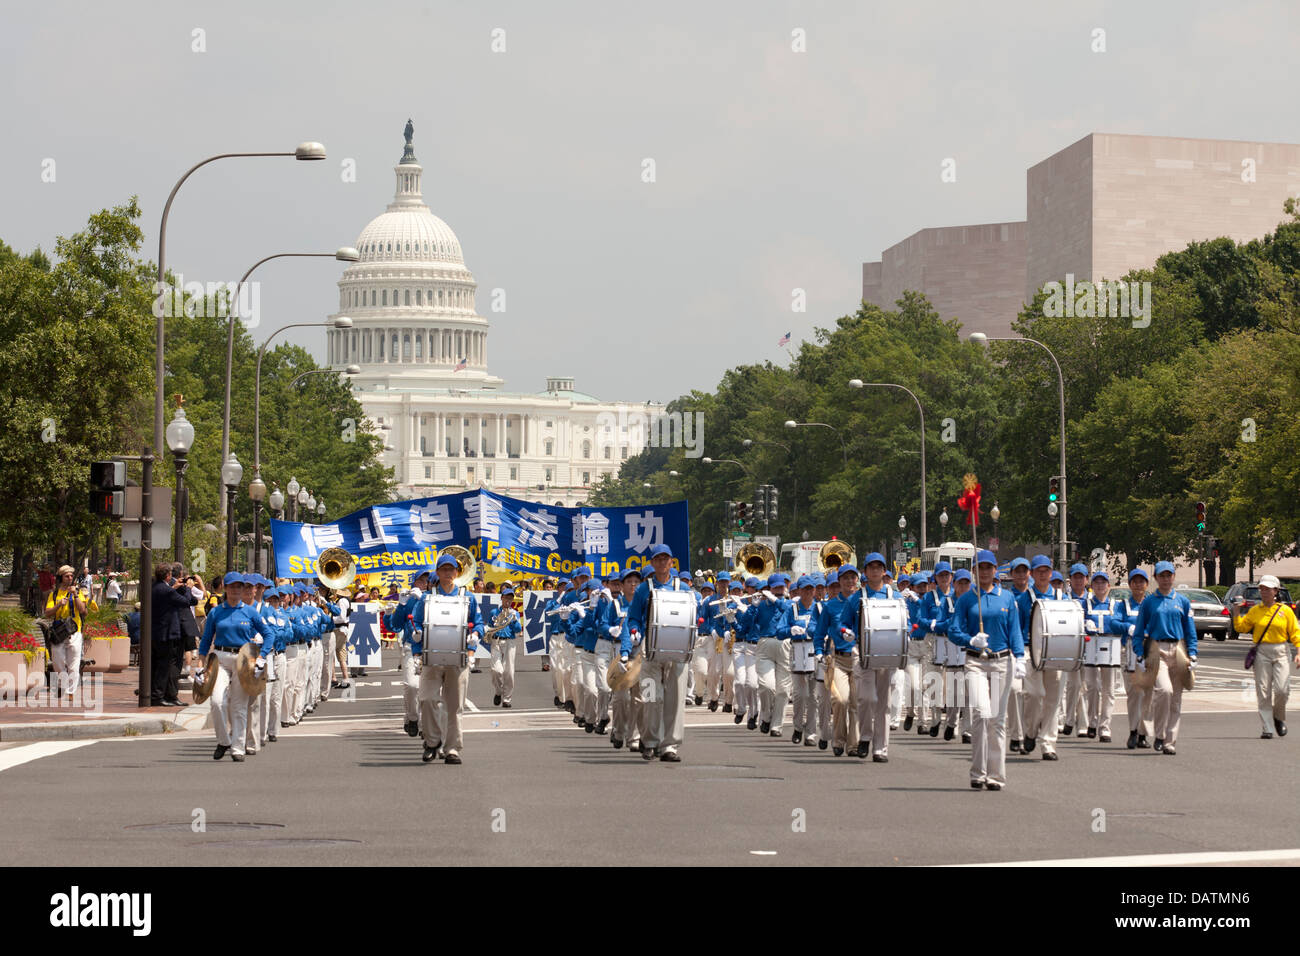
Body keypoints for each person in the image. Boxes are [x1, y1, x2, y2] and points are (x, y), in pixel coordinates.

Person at [946, 549, 1024, 791]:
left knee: (997, 721)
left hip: (1001, 661)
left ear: (995, 570)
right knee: (980, 714)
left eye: (989, 567)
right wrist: (970, 640)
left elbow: (1015, 630)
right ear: (974, 571)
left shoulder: (1007, 598)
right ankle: (978, 772)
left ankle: (996, 775)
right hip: (975, 660)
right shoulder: (966, 599)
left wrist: (1019, 656)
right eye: (980, 567)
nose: (985, 572)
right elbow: (953, 630)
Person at [412, 553, 484, 764]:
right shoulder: (427, 597)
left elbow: (478, 622)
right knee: (426, 699)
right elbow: (416, 623)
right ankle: (432, 741)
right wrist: (416, 648)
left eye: (450, 569)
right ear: (437, 572)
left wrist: (475, 637)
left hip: (458, 657)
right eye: (443, 569)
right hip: (431, 657)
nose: (447, 573)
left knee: (454, 706)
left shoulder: (467, 596)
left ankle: (452, 748)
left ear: (456, 572)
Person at [195, 572, 271, 761]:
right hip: (220, 658)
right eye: (232, 586)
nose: (236, 590)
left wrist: (261, 657)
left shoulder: (250, 611)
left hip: (243, 658)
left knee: (239, 706)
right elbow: (206, 639)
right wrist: (200, 665)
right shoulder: (216, 612)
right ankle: (224, 740)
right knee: (216, 701)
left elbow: (269, 634)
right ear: (226, 588)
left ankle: (238, 747)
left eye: (240, 586)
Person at [626, 544, 690, 761]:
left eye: (666, 559)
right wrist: (634, 630)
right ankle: (650, 741)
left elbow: (692, 612)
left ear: (672, 562)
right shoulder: (645, 588)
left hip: (678, 648)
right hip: (651, 647)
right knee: (651, 696)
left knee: (675, 698)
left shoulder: (683, 587)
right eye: (658, 559)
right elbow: (634, 616)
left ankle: (670, 745)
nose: (662, 563)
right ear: (652, 563)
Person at [838, 553, 899, 762]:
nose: (875, 570)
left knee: (884, 703)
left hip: (887, 653)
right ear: (865, 572)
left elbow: (905, 620)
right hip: (862, 652)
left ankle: (880, 749)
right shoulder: (857, 597)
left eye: (878, 567)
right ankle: (865, 736)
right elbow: (843, 623)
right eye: (870, 567)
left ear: (884, 571)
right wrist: (846, 632)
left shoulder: (894, 595)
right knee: (867, 698)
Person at [1132, 561, 1197, 755]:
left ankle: (1170, 741)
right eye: (1162, 576)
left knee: (1176, 698)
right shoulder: (1149, 602)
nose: (1166, 579)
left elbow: (1190, 630)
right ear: (1156, 578)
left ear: (1174, 577)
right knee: (1164, 691)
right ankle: (1159, 733)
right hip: (1156, 649)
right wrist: (1139, 653)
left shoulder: (1183, 601)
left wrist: (1193, 653)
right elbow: (1138, 631)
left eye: (1169, 575)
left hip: (1177, 648)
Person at [1232, 573, 1298, 739]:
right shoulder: (1255, 611)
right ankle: (1267, 727)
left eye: (1268, 589)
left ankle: (1278, 717)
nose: (1264, 592)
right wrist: (1236, 611)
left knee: (1282, 690)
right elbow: (1241, 627)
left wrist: (1299, 651)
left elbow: (1295, 632)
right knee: (1263, 690)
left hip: (1281, 650)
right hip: (1261, 651)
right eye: (1262, 588)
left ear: (1276, 591)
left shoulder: (1285, 611)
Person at [1017, 555, 1066, 761]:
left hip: (1054, 651)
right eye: (1038, 571)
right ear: (1032, 573)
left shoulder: (1061, 597)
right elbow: (1017, 628)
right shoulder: (1023, 598)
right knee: (1034, 694)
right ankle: (1030, 731)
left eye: (1046, 570)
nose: (1043, 574)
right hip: (1031, 650)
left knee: (1053, 699)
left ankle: (1048, 743)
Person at [1080, 570, 1124, 742]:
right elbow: (1077, 623)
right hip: (1091, 647)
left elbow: (1120, 622)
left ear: (1109, 585)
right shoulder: (1085, 604)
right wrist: (1085, 624)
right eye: (1096, 582)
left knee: (1109, 690)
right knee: (1091, 687)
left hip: (1110, 646)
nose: (1100, 585)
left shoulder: (1117, 605)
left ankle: (1105, 727)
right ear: (1092, 586)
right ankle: (1092, 722)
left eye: (1103, 582)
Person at [1114, 568, 1154, 748]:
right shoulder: (1123, 605)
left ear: (1147, 584)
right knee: (1134, 693)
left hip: (1150, 650)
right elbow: (1113, 622)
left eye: (1142, 581)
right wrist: (1128, 627)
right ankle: (1133, 731)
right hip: (1129, 650)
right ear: (1130, 585)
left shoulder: (1152, 604)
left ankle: (1143, 733)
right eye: (1135, 581)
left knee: (1148, 694)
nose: (1138, 585)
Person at [150, 563, 198, 707]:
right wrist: (188, 588)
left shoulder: (155, 587)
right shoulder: (167, 590)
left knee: (160, 665)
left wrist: (175, 587)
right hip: (167, 633)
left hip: (158, 632)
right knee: (165, 666)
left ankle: (161, 694)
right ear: (168, 575)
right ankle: (160, 696)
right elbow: (187, 601)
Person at [780, 574, 820, 747]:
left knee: (814, 696)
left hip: (815, 651)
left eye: (811, 589)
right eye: (805, 589)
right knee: (799, 694)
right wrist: (791, 630)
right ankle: (797, 727)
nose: (808, 592)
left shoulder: (819, 608)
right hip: (797, 651)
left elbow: (825, 626)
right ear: (799, 591)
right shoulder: (792, 609)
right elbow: (779, 630)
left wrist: (814, 631)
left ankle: (811, 733)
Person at [754, 572, 793, 737]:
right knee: (766, 687)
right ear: (769, 588)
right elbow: (749, 624)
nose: (779, 589)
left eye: (781, 586)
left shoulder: (789, 604)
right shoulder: (762, 605)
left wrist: (776, 601)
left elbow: (788, 611)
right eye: (776, 587)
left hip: (784, 645)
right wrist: (751, 608)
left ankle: (777, 725)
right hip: (765, 643)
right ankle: (766, 716)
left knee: (783, 690)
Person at [44, 565, 88, 699]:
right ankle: (62, 683)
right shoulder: (55, 594)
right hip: (59, 632)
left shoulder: (78, 592)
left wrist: (75, 595)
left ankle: (70, 691)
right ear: (61, 578)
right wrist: (58, 605)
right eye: (66, 576)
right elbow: (47, 613)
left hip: (74, 631)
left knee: (74, 663)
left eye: (71, 576)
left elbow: (83, 611)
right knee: (57, 661)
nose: (69, 578)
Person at [1060, 563, 1091, 736]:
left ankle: (1081, 724)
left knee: (1085, 686)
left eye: (1082, 577)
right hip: (1070, 646)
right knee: (1073, 685)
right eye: (1075, 577)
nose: (1078, 580)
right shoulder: (1064, 599)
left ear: (1087, 579)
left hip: (1088, 646)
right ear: (1070, 580)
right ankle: (1070, 719)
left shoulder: (1092, 600)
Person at [488, 584, 524, 708]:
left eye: (510, 598)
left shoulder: (515, 613)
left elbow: (518, 630)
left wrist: (514, 620)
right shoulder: (494, 612)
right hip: (496, 641)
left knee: (508, 672)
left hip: (510, 642)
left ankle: (507, 698)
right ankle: (498, 691)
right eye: (506, 598)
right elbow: (489, 626)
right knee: (496, 670)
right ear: (501, 598)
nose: (508, 601)